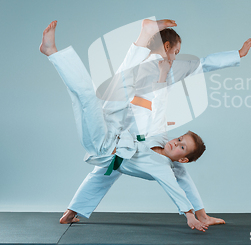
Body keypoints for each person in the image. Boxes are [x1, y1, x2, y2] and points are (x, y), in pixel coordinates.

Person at [57, 25, 251, 227]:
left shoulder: (159, 64)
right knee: (165, 167)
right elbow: (197, 67)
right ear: (168, 46)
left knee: (113, 169)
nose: (176, 57)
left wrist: (237, 54)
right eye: (176, 52)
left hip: (135, 129)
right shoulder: (151, 64)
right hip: (130, 128)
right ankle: (200, 215)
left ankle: (70, 212)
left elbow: (201, 65)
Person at [40, 19, 211, 231]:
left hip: (103, 145)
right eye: (179, 139)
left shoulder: (164, 168)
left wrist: (192, 216)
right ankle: (70, 213)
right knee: (121, 80)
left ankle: (52, 52)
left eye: (181, 147)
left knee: (85, 96)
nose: (175, 143)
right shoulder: (160, 139)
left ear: (182, 159)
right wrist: (162, 76)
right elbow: (159, 105)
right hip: (114, 128)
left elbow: (174, 189)